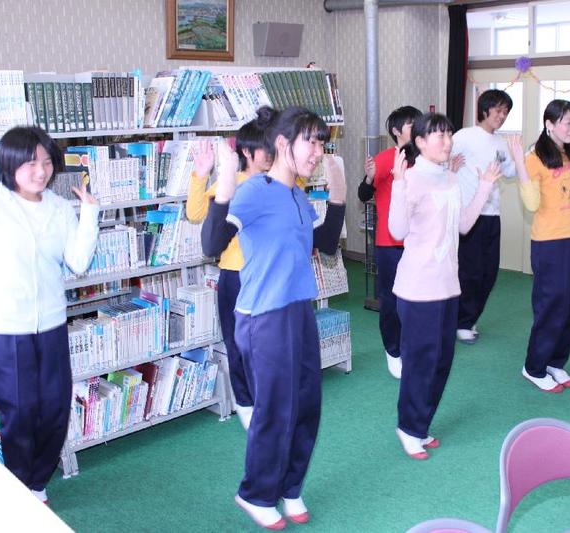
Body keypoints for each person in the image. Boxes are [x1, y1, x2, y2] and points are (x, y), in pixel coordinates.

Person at [201, 106, 346, 529]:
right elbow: (211, 243)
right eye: (311, 141)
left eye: (322, 143)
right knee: (276, 410)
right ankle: (255, 493)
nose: (317, 151)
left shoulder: (297, 195)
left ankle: (290, 487)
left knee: (307, 405)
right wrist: (226, 180)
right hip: (263, 316)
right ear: (283, 143)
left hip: (299, 309)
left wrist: (337, 191)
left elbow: (326, 244)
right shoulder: (255, 191)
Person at [0, 126, 99, 504]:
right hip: (3, 329)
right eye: (30, 163)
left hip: (51, 325)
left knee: (54, 409)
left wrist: (89, 214)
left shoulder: (58, 207)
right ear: (9, 163)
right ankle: (18, 490)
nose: (41, 171)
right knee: (20, 413)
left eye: (46, 162)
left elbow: (78, 262)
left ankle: (37, 484)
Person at [389, 113, 500, 459]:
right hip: (418, 289)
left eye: (449, 134)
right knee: (420, 362)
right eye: (439, 135)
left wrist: (484, 187)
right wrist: (398, 184)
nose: (447, 141)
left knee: (441, 361)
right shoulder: (411, 178)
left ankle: (420, 424)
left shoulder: (450, 178)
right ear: (420, 142)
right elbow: (397, 230)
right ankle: (408, 427)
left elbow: (463, 225)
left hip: (448, 286)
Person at [508, 99, 570, 393]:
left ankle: (555, 361)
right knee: (552, 306)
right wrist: (520, 164)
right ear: (549, 124)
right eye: (567, 122)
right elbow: (531, 203)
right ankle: (534, 367)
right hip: (550, 243)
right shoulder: (535, 158)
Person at [186, 122, 272, 430]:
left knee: (267, 347)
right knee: (238, 346)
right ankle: (247, 405)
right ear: (247, 152)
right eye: (265, 147)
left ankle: (268, 405)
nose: (272, 153)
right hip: (235, 276)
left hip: (269, 277)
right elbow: (196, 213)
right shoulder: (231, 181)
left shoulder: (279, 182)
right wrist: (201, 174)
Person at [357, 105, 422, 379]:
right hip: (390, 243)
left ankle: (412, 348)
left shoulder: (424, 159)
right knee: (392, 300)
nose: (417, 127)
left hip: (419, 242)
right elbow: (363, 194)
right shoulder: (386, 158)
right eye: (411, 124)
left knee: (417, 299)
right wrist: (371, 177)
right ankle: (393, 351)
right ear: (396, 131)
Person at [450, 89, 517, 344]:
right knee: (471, 272)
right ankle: (462, 322)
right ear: (485, 109)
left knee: (489, 272)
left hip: (492, 214)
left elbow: (510, 171)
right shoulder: (464, 136)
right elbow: (443, 160)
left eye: (506, 112)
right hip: (469, 215)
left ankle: (469, 317)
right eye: (498, 110)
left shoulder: (500, 142)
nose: (502, 116)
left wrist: (526, 156)